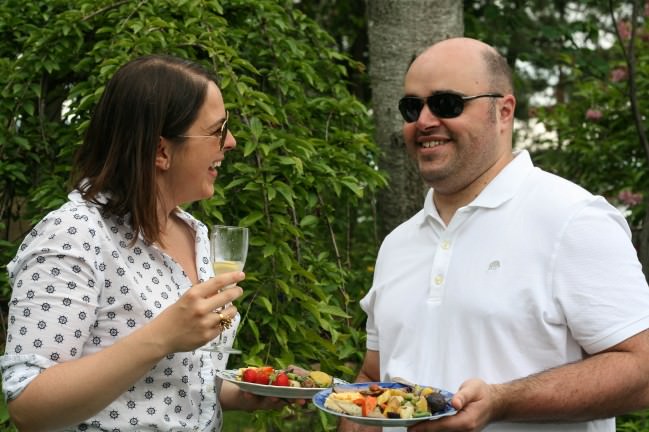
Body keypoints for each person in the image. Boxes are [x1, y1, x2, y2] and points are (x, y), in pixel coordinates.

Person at [340, 37, 649, 432]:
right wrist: (352, 412)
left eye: (447, 103)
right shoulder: (398, 243)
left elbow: (642, 369)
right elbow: (375, 375)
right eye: (412, 107)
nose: (424, 121)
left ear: (503, 112)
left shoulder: (573, 219)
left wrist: (502, 401)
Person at [1, 54, 287, 431]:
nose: (231, 142)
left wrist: (243, 392)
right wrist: (163, 336)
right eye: (218, 130)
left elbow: (168, 385)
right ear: (160, 151)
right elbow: (29, 405)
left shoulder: (195, 233)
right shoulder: (73, 236)